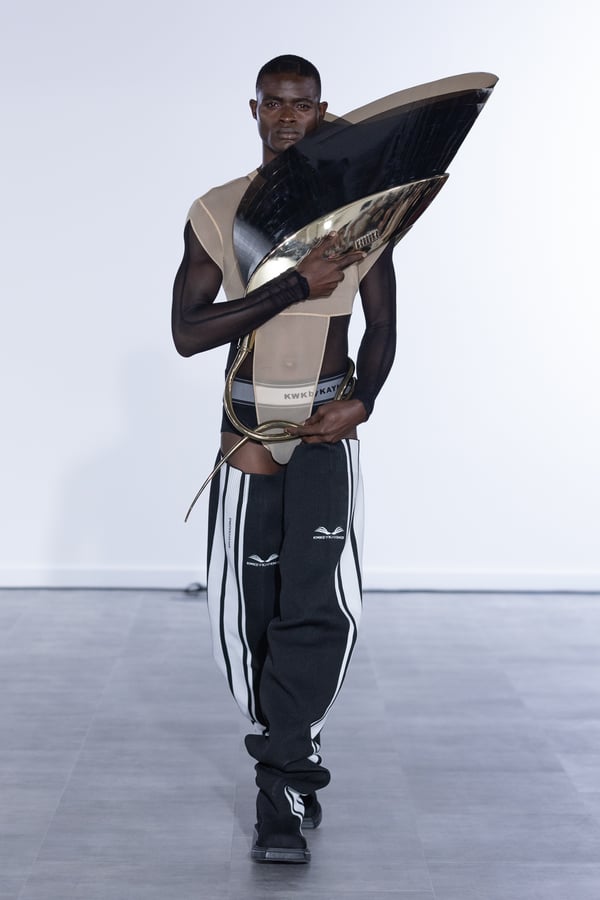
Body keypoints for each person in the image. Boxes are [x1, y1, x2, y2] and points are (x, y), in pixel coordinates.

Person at [172, 54, 397, 864]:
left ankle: (282, 786)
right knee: (249, 608)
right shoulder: (219, 209)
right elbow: (188, 333)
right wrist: (293, 285)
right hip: (250, 426)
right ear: (255, 109)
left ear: (322, 109)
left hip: (327, 421)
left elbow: (383, 325)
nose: (288, 118)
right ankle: (290, 750)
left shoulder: (360, 212)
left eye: (303, 105)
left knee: (320, 601)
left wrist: (366, 398)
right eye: (274, 104)